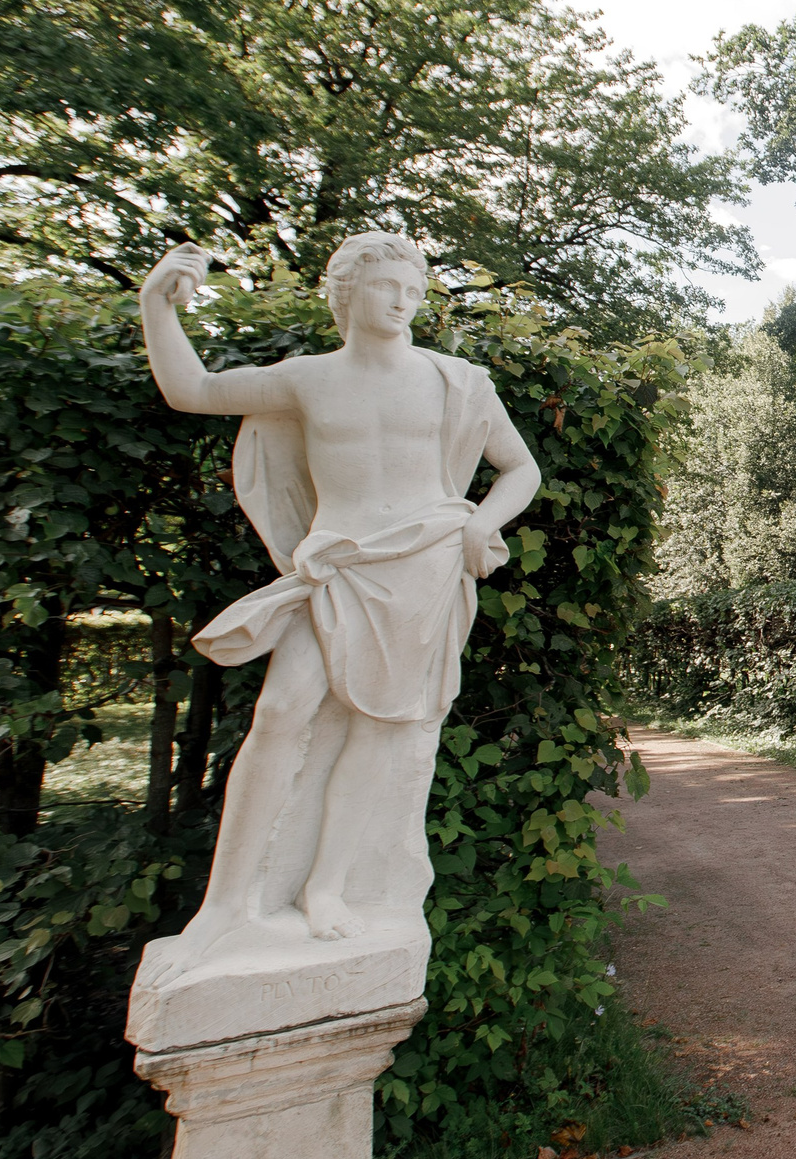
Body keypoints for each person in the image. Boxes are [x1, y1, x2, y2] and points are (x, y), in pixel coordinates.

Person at [135, 234, 540, 981]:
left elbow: (520, 467)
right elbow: (190, 389)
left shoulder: (457, 381)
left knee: (378, 730)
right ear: (347, 293)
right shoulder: (308, 380)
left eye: (412, 289)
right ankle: (226, 904)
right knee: (282, 710)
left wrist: (483, 523)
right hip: (339, 566)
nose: (401, 300)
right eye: (386, 285)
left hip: (422, 564)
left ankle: (327, 885)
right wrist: (156, 302)